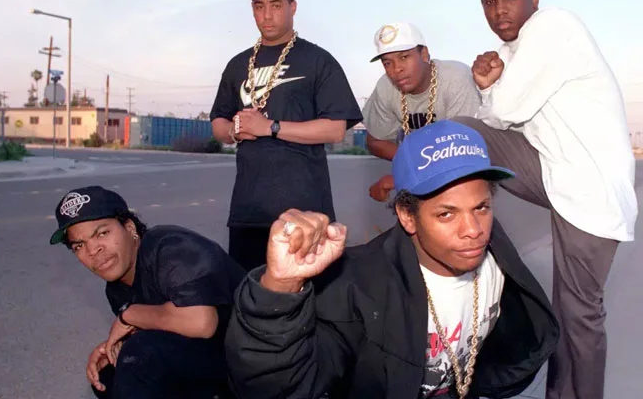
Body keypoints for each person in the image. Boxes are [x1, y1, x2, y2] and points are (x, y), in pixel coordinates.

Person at [224, 119, 559, 399]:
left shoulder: (496, 259)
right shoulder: (357, 290)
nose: (473, 230)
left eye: (481, 207)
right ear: (407, 216)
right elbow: (275, 387)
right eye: (446, 214)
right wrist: (279, 288)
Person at [454, 0, 639, 399]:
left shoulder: (553, 26)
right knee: (463, 135)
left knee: (579, 314)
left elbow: (507, 108)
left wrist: (487, 86)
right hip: (555, 174)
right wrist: (491, 90)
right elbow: (499, 122)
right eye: (489, 1)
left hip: (590, 192)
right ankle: (457, 215)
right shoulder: (511, 51)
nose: (499, 11)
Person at [209, 0, 363, 272]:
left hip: (306, 212)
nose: (266, 15)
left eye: (276, 5)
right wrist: (236, 130)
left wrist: (270, 128)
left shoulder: (318, 60)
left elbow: (334, 130)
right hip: (248, 211)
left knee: (311, 303)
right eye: (258, 6)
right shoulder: (238, 64)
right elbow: (218, 124)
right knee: (247, 299)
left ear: (292, 7)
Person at [49, 186, 246, 399]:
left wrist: (129, 315)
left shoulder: (172, 249)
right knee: (109, 374)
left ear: (129, 227)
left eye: (102, 233)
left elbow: (201, 322)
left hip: (257, 364)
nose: (93, 250)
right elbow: (160, 332)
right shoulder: (117, 288)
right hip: (216, 359)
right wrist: (115, 347)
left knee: (138, 356)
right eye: (79, 245)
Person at [362, 22, 481, 202]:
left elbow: (461, 152)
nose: (396, 69)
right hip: (420, 183)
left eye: (404, 57)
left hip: (466, 180)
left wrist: (399, 179)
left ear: (424, 54)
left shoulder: (456, 78)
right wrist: (415, 164)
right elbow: (375, 141)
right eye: (387, 62)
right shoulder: (386, 86)